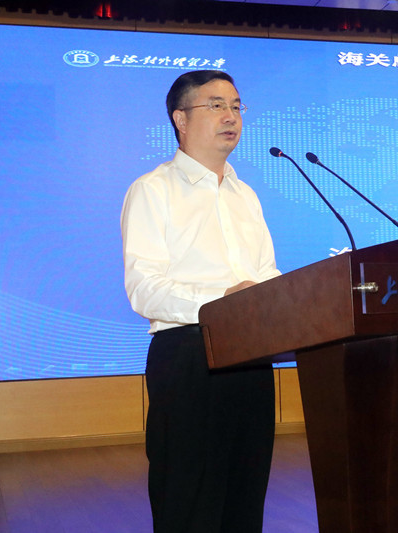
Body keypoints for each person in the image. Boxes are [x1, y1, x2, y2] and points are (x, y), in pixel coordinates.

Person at [120, 70, 281, 532]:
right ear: (181, 119)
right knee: (188, 501)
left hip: (251, 358)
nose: (231, 116)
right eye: (216, 106)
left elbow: (266, 274)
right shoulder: (153, 189)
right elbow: (144, 288)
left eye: (236, 106)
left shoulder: (245, 195)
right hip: (188, 357)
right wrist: (221, 303)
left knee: (244, 500)